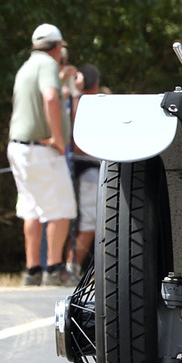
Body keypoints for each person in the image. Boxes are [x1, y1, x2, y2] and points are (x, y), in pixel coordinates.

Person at [9, 23, 77, 287]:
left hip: (19, 146)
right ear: (57, 48)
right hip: (42, 148)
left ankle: (32, 270)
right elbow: (49, 97)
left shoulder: (27, 66)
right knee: (61, 209)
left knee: (31, 209)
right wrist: (59, 140)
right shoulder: (48, 65)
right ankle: (54, 269)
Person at [68, 63, 103, 273]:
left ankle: (70, 268)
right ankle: (71, 268)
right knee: (88, 223)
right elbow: (78, 144)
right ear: (96, 84)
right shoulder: (84, 104)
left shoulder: (71, 100)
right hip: (88, 171)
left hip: (75, 170)